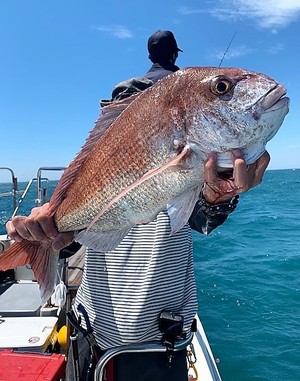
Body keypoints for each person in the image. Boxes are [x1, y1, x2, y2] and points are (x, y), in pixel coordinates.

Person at [6, 30, 270, 381]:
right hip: (105, 333)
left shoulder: (189, 138)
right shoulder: (172, 112)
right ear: (175, 55)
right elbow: (78, 234)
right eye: (221, 90)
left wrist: (219, 195)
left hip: (150, 340)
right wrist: (49, 228)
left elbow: (200, 217)